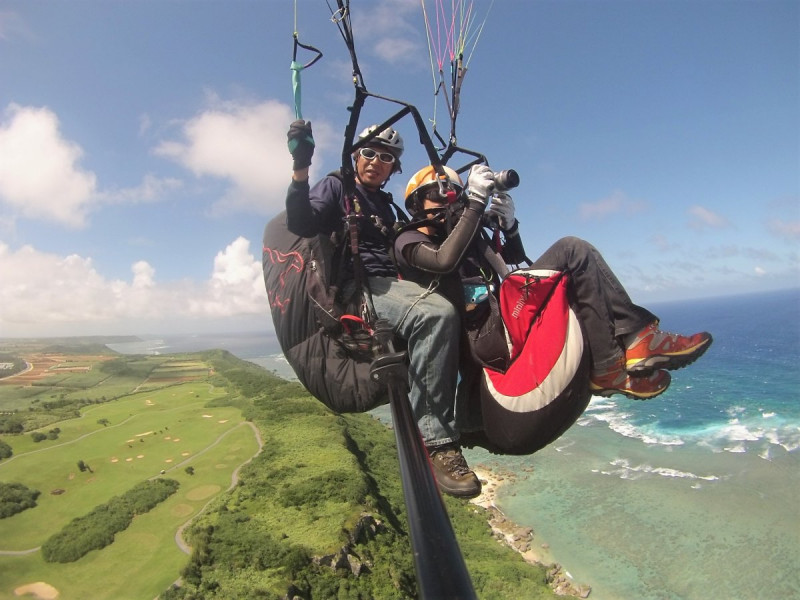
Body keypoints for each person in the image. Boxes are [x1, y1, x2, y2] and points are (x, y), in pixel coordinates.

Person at [285, 120, 491, 498]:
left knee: (467, 308)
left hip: (394, 285)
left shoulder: (386, 206)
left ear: (393, 167)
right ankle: (438, 443)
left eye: (386, 158)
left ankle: (473, 416)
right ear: (355, 156)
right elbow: (301, 221)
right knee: (435, 314)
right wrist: (301, 167)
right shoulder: (337, 187)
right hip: (360, 289)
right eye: (369, 153)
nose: (376, 162)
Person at [396, 165, 713, 409]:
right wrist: (476, 204)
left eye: (455, 194)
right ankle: (617, 360)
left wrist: (509, 227)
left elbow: (512, 261)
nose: (449, 201)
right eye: (439, 193)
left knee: (574, 276)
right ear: (416, 203)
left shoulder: (466, 236)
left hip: (502, 316)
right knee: (572, 249)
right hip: (483, 335)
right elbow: (443, 261)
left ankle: (631, 346)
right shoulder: (407, 240)